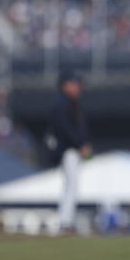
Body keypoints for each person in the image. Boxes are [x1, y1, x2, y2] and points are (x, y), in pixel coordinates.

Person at [46, 70, 91, 233]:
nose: (77, 87)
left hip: (70, 148)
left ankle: (66, 220)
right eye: (74, 83)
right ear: (65, 85)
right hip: (68, 149)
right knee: (71, 185)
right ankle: (65, 222)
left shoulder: (68, 102)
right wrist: (80, 144)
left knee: (70, 185)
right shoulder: (63, 103)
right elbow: (65, 129)